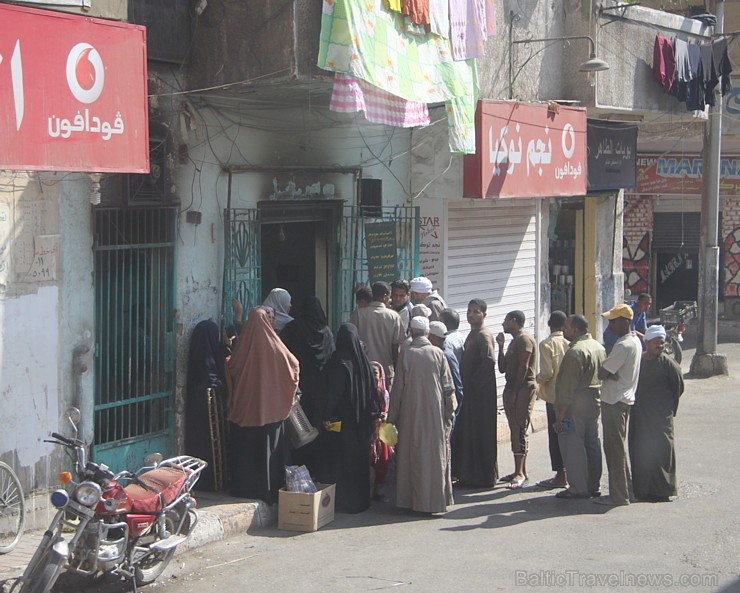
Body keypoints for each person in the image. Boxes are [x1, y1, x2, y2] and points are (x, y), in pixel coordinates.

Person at [226, 307, 300, 504]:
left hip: (245, 409)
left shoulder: (242, 345)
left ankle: (245, 488)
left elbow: (231, 367)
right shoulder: (275, 345)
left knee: (246, 451)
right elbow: (293, 366)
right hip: (271, 411)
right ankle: (268, 489)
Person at [388, 316, 456, 513]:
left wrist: (391, 418)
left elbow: (398, 388)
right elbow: (448, 388)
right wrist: (448, 414)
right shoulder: (438, 353)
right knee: (434, 456)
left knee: (412, 455)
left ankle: (411, 501)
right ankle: (435, 501)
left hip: (410, 413)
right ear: (427, 333)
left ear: (412, 332)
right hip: (435, 414)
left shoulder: (406, 354)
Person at [316, 324, 378, 513]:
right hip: (363, 422)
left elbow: (334, 393)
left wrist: (325, 415)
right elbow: (373, 394)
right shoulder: (365, 363)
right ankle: (360, 500)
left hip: (343, 422)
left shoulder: (339, 361)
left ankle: (344, 500)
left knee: (342, 459)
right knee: (358, 461)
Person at [279, 296, 335, 474]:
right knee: (318, 427)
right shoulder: (326, 332)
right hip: (320, 389)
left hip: (298, 388)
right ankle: (318, 467)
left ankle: (297, 466)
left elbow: (284, 356)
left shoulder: (293, 329)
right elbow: (331, 359)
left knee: (298, 427)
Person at [629, 325, 684, 502]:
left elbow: (678, 386)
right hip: (640, 415)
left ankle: (663, 490)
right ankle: (643, 489)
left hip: (661, 417)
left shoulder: (668, 363)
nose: (659, 345)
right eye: (655, 342)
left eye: (661, 342)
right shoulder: (638, 362)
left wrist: (667, 406)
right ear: (647, 342)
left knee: (662, 450)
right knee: (641, 450)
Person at [553, 315, 605, 500]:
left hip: (576, 406)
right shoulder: (598, 347)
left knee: (574, 448)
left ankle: (577, 488)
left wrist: (560, 415)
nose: (563, 329)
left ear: (575, 330)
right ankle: (593, 485)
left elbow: (567, 388)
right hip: (594, 403)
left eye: (566, 326)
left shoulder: (575, 352)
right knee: (592, 445)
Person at [596, 303, 642, 507]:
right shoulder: (634, 341)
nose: (610, 325)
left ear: (625, 322)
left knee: (614, 448)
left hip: (615, 400)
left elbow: (602, 372)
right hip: (622, 398)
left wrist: (608, 371)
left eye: (613, 321)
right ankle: (626, 491)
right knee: (617, 448)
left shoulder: (623, 345)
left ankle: (618, 496)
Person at [451, 298, 498, 487]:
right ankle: (469, 475)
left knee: (480, 434)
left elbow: (488, 361)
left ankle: (483, 478)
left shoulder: (483, 335)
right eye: (469, 311)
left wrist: (473, 385)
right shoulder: (473, 333)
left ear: (484, 314)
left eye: (476, 311)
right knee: (469, 434)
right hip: (472, 394)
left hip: (480, 396)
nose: (471, 314)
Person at [185, 320, 229, 492]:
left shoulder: (198, 360)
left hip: (196, 404)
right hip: (208, 406)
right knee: (211, 446)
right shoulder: (210, 371)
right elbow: (215, 376)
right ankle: (213, 481)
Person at [496, 310, 537, 489]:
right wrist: (501, 346)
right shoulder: (514, 341)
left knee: (519, 427)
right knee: (514, 427)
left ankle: (520, 472)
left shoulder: (524, 340)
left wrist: (514, 392)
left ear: (514, 321)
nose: (503, 324)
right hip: (512, 387)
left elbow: (524, 366)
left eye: (506, 321)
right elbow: (503, 368)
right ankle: (519, 470)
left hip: (523, 389)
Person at [534, 311, 570, 490]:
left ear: (549, 324)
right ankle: (569, 472)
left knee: (555, 436)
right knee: (567, 434)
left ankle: (560, 475)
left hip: (553, 397)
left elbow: (547, 373)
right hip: (568, 397)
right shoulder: (570, 343)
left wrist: (537, 380)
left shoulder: (547, 344)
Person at [350, 281, 405, 389]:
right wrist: (397, 369)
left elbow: (352, 341)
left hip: (363, 369)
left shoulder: (358, 314)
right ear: (385, 296)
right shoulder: (393, 316)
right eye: (389, 295)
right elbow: (396, 347)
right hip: (386, 371)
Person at [370, 361, 393, 502]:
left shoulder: (383, 393)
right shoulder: (364, 390)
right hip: (368, 431)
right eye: (371, 373)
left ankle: (377, 491)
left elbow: (389, 409)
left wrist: (385, 415)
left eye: (376, 373)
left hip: (381, 431)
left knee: (383, 461)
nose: (373, 377)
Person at [429, 321, 464, 411]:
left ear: (433, 338)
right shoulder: (437, 353)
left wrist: (453, 410)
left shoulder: (445, 355)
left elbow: (456, 384)